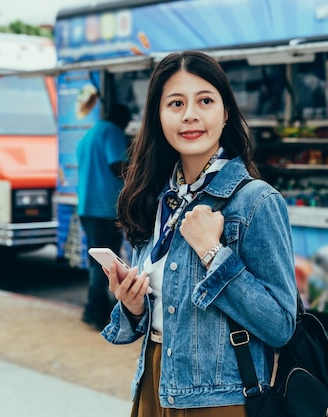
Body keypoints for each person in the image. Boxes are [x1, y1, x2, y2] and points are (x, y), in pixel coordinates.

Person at [100, 50, 297, 416]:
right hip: (153, 385)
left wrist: (213, 253)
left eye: (205, 100)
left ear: (225, 114)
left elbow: (282, 325)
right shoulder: (160, 198)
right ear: (159, 117)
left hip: (222, 400)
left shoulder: (256, 201)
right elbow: (161, 314)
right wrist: (132, 304)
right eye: (175, 103)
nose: (190, 114)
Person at [76, 102, 132, 330]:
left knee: (96, 262)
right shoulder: (112, 131)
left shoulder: (89, 134)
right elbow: (117, 166)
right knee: (107, 264)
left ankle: (94, 308)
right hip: (105, 210)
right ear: (121, 119)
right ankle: (96, 312)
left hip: (87, 208)